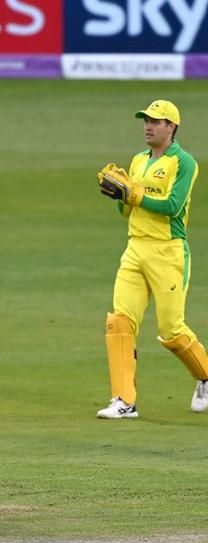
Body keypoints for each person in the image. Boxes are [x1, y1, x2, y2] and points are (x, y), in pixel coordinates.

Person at [97, 100, 207, 418]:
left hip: (168, 250)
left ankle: (205, 377)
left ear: (171, 127)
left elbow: (173, 205)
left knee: (172, 330)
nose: (148, 126)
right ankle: (124, 400)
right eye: (145, 120)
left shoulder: (183, 162)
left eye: (156, 121)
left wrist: (135, 194)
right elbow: (127, 210)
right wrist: (120, 194)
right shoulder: (138, 160)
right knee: (119, 321)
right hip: (135, 248)